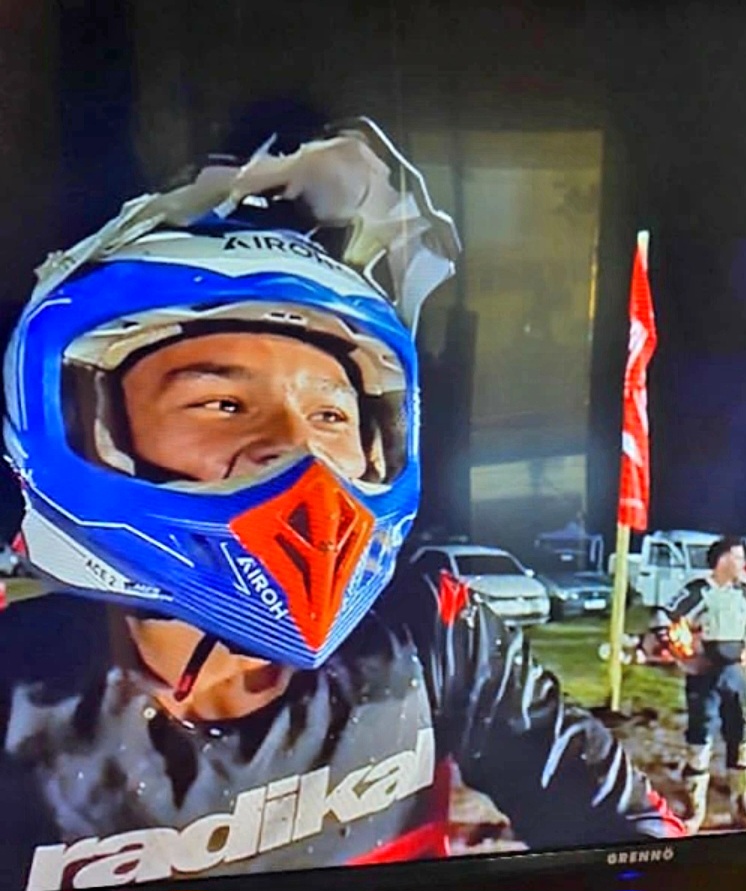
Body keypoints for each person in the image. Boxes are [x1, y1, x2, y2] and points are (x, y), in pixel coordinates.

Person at [0, 118, 683, 891]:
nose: (302, 452)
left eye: (331, 413)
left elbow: (640, 843)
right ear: (83, 426)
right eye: (223, 403)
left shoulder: (428, 632)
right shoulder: (17, 698)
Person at [654, 536, 746, 833]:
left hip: (735, 674)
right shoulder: (698, 591)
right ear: (722, 560)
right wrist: (681, 653)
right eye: (738, 557)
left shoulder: (742, 592)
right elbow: (664, 616)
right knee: (700, 738)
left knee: (740, 737)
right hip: (704, 674)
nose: (743, 563)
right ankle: (695, 811)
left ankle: (740, 806)